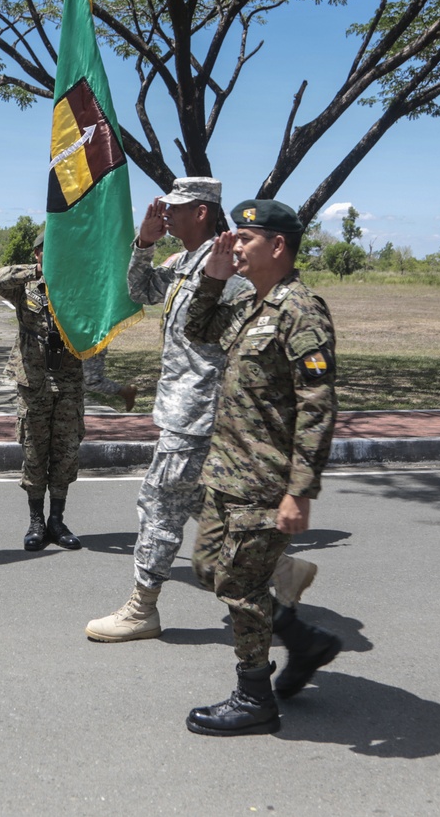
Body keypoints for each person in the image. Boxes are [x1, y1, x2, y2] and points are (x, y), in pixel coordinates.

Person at [86, 179, 316, 643]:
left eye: (177, 209)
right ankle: (281, 569)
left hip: (202, 406)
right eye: (164, 208)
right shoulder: (182, 261)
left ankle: (142, 606)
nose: (166, 214)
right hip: (178, 401)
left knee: (158, 502)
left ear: (204, 213)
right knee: (200, 502)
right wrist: (143, 244)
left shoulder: (228, 266)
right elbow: (140, 291)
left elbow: (229, 339)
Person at [183, 198, 341, 737]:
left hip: (264, 483)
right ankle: (302, 638)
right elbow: (197, 329)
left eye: (245, 240)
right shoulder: (253, 306)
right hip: (226, 475)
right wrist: (214, 275)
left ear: (277, 246)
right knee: (208, 568)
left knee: (241, 588)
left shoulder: (301, 311)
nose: (236, 245)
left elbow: (317, 406)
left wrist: (300, 490)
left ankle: (254, 698)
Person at [0, 230, 85, 551]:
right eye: (47, 251)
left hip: (69, 382)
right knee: (33, 451)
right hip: (33, 382)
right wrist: (39, 272)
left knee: (65, 453)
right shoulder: (27, 287)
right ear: (37, 254)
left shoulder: (78, 286)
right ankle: (36, 521)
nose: (54, 255)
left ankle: (57, 520)